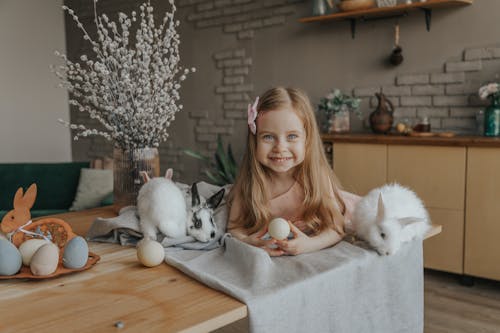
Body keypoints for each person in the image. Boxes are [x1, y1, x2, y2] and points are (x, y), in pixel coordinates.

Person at [227, 87, 360, 256]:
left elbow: (337, 228)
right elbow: (234, 227)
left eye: (291, 136)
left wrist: (309, 245)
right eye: (268, 136)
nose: (280, 148)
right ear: (255, 140)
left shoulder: (316, 178)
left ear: (307, 139)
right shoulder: (249, 181)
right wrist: (248, 241)